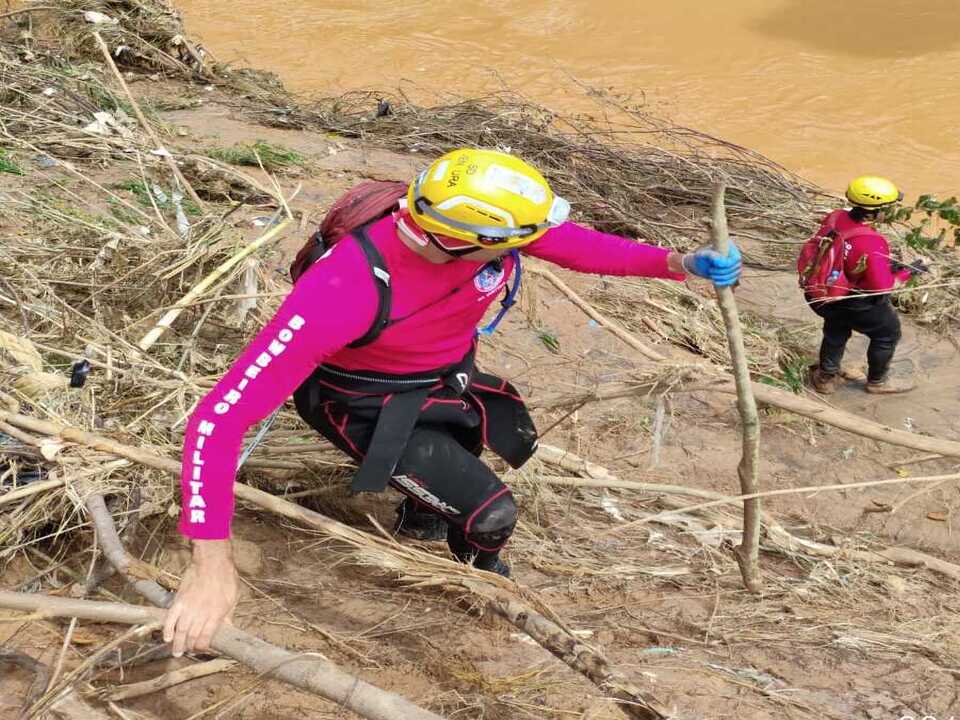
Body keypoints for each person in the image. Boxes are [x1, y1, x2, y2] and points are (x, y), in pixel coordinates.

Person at [162, 148, 741, 656]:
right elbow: (218, 419)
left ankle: (421, 518)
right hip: (361, 399)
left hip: (443, 375)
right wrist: (211, 567)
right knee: (491, 514)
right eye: (519, 241)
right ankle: (480, 576)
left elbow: (572, 245)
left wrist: (678, 264)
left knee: (479, 454)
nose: (534, 246)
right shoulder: (344, 289)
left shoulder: (465, 226)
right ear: (464, 240)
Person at [798, 175, 917, 395]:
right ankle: (877, 382)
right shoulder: (871, 241)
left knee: (836, 328)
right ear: (875, 212)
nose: (889, 212)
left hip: (822, 294)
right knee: (887, 334)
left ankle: (825, 376)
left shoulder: (835, 217)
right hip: (852, 301)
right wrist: (908, 272)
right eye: (888, 208)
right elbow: (882, 287)